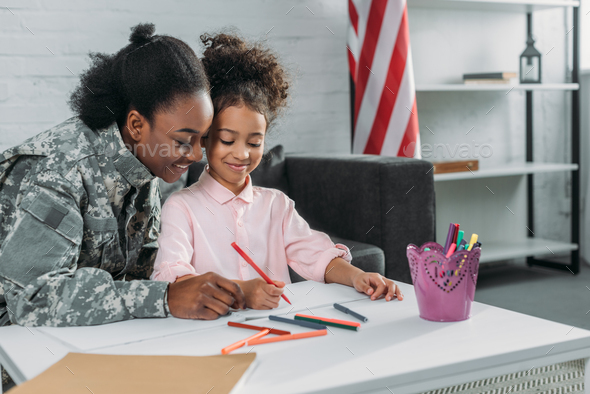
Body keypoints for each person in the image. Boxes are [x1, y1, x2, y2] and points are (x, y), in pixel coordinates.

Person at [0, 23, 246, 329]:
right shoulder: (60, 172)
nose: (197, 155)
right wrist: (165, 298)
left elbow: (142, 271)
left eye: (202, 139)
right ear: (136, 124)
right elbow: (31, 299)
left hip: (87, 334)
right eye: (184, 141)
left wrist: (219, 289)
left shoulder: (143, 162)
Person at [151, 32, 404, 310]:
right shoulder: (181, 207)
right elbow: (171, 276)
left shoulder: (276, 205)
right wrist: (242, 293)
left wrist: (359, 277)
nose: (242, 153)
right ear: (206, 138)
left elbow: (316, 255)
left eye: (254, 142)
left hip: (278, 326)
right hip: (211, 333)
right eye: (227, 140)